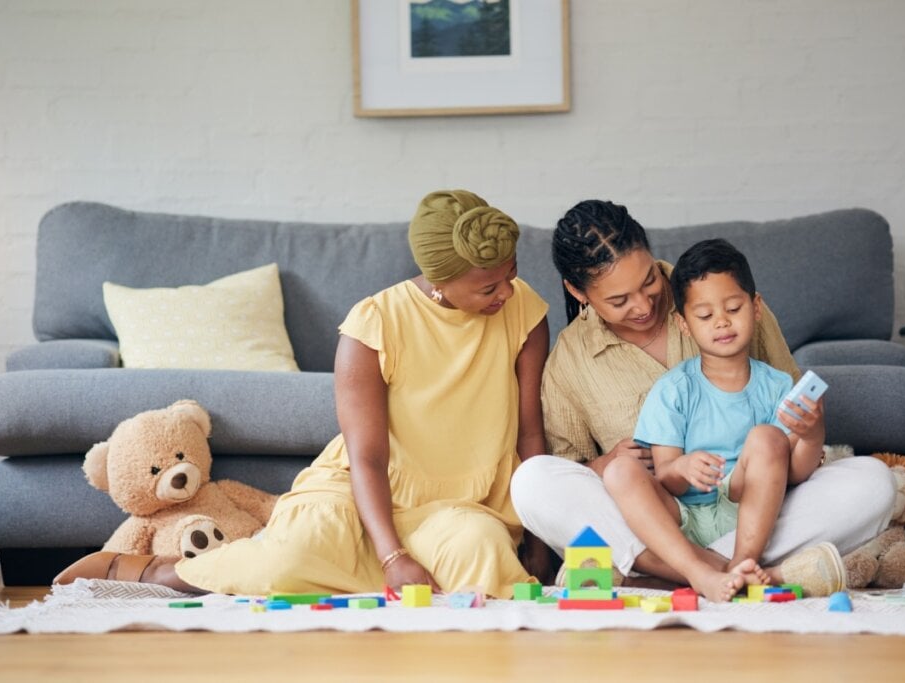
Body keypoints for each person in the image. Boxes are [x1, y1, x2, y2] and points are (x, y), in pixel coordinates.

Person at [55, 189, 551, 599]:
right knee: (293, 560)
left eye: (509, 276)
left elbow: (530, 430)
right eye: (489, 288)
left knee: (482, 553)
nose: (505, 293)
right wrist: (394, 555)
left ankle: (368, 575)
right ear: (440, 283)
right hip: (363, 488)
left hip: (464, 501)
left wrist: (538, 540)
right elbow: (368, 456)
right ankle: (160, 572)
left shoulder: (524, 309)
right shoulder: (374, 324)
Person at [511, 199, 891, 600]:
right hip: (658, 513)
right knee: (532, 481)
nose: (642, 306)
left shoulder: (716, 294)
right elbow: (569, 467)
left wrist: (807, 431)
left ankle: (671, 575)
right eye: (619, 301)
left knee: (875, 483)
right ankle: (741, 573)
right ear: (578, 292)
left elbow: (792, 424)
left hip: (755, 503)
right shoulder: (571, 358)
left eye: (648, 282)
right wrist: (603, 464)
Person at [614, 238, 827, 593]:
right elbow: (664, 478)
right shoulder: (674, 389)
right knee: (620, 471)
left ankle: (741, 564)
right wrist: (681, 469)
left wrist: (813, 432)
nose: (722, 323)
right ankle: (700, 569)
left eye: (733, 308)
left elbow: (795, 472)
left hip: (752, 509)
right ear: (684, 325)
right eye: (705, 315)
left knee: (868, 478)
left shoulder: (776, 385)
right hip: (681, 519)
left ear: (756, 308)